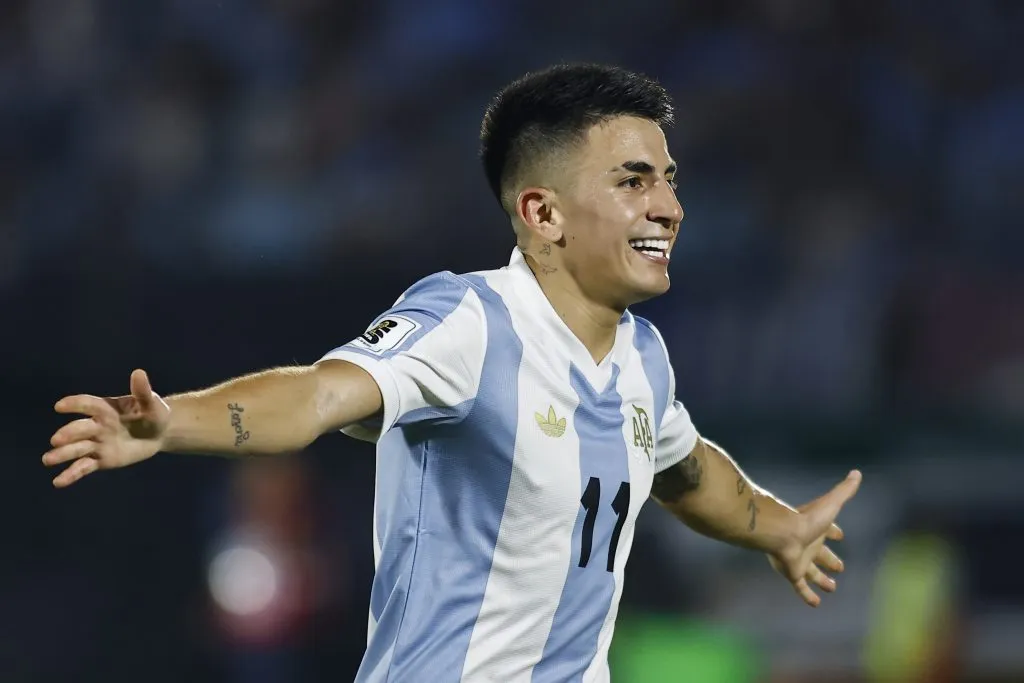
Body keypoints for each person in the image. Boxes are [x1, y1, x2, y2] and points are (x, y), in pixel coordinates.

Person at [43, 63, 861, 682]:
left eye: (670, 180)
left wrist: (777, 525)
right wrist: (172, 422)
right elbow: (319, 393)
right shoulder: (469, 319)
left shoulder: (643, 355)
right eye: (633, 180)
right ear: (541, 212)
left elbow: (684, 469)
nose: (669, 206)